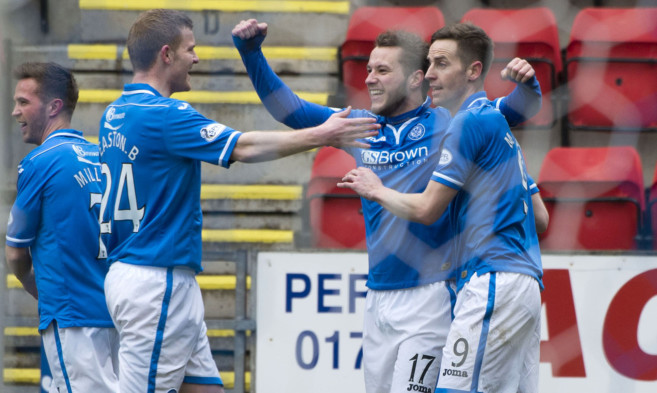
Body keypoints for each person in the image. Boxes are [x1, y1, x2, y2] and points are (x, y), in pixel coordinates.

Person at [232, 19, 547, 393]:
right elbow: (290, 110)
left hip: (433, 294)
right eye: (367, 69)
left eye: (382, 70)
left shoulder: (452, 119)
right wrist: (251, 55)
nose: (369, 79)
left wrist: (528, 81)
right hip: (379, 296)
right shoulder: (360, 128)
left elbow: (515, 107)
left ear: (416, 78)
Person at [98, 9, 379, 393]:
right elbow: (243, 148)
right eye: (189, 50)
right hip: (156, 278)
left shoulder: (115, 112)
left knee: (205, 388)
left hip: (140, 271)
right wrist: (322, 134)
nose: (195, 58)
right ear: (166, 54)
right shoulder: (166, 114)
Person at [339, 23, 544, 393]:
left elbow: (428, 209)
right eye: (429, 63)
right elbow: (541, 218)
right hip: (525, 283)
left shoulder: (465, 123)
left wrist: (376, 190)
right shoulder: (497, 126)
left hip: (490, 279)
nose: (430, 74)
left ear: (473, 70)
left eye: (441, 63)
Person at [5, 62, 118, 393]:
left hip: (73, 318)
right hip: (117, 313)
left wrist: (43, 292)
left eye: (24, 102)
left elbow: (15, 252)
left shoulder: (40, 162)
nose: (15, 112)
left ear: (54, 106)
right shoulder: (102, 156)